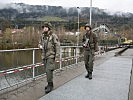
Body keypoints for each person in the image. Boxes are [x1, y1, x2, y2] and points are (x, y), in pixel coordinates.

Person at [38, 22, 60, 93]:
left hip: (51, 56)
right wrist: (39, 46)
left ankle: (50, 85)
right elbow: (39, 43)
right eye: (44, 27)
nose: (44, 28)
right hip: (44, 56)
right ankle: (50, 83)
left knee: (49, 70)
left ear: (49, 28)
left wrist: (57, 57)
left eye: (46, 27)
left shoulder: (53, 36)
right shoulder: (42, 36)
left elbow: (57, 46)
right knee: (47, 71)